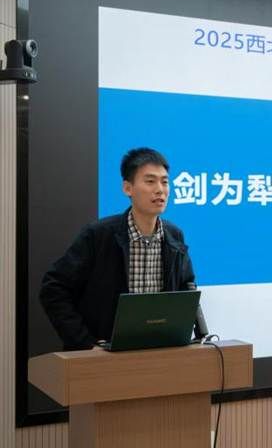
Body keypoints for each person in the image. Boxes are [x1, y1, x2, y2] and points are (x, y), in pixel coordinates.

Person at [40, 147, 195, 350]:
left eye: (165, 182)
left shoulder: (174, 236)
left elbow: (187, 288)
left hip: (158, 352)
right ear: (127, 188)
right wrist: (85, 343)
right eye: (150, 181)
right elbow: (53, 288)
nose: (160, 190)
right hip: (105, 355)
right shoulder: (98, 235)